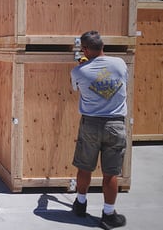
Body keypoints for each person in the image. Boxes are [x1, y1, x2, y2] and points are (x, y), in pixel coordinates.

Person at [70, 30, 128, 229]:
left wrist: (84, 66)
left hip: (91, 124)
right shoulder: (120, 63)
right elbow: (119, 81)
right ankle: (109, 214)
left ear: (84, 49)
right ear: (103, 46)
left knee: (85, 167)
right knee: (111, 173)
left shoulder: (79, 71)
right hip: (116, 124)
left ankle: (80, 204)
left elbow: (76, 88)